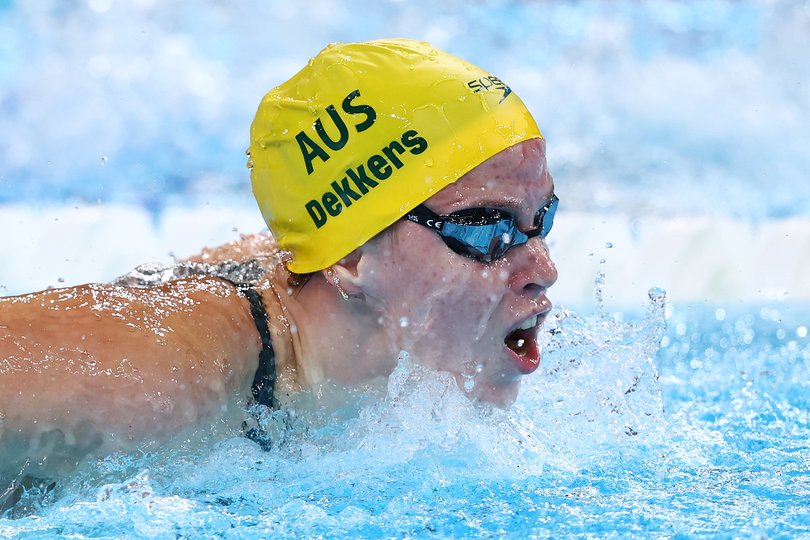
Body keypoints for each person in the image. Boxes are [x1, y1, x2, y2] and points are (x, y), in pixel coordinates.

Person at [0, 39, 557, 486]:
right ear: (351, 256)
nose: (543, 268)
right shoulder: (159, 381)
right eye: (488, 230)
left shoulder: (327, 305)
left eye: (542, 220)